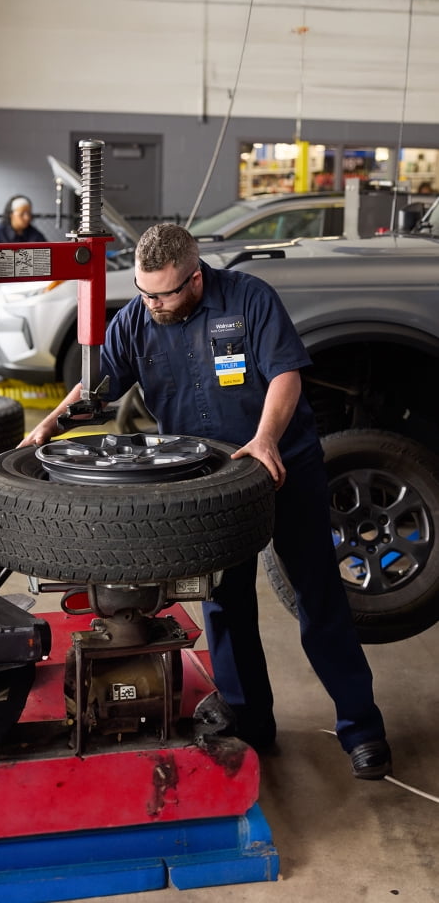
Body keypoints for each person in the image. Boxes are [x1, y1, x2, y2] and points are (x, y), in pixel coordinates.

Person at [21, 223, 391, 780]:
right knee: (225, 603)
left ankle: (362, 730)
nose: (154, 304)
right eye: (146, 293)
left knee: (319, 599)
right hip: (206, 486)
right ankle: (250, 721)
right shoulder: (137, 319)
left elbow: (286, 375)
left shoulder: (249, 299)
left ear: (196, 278)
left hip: (280, 467)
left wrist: (265, 439)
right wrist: (50, 423)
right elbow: (96, 392)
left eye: (165, 293)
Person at [0, 194, 46, 380]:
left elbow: (45, 260)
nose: (27, 218)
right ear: (11, 214)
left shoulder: (35, 235)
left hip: (21, 292)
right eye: (22, 214)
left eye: (29, 214)